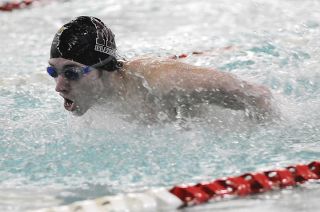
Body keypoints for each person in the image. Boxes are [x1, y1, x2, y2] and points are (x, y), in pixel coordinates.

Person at [48, 16, 275, 123]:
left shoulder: (161, 83)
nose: (59, 86)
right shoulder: (98, 97)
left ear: (103, 68)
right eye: (53, 72)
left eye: (71, 73)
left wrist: (260, 137)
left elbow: (258, 95)